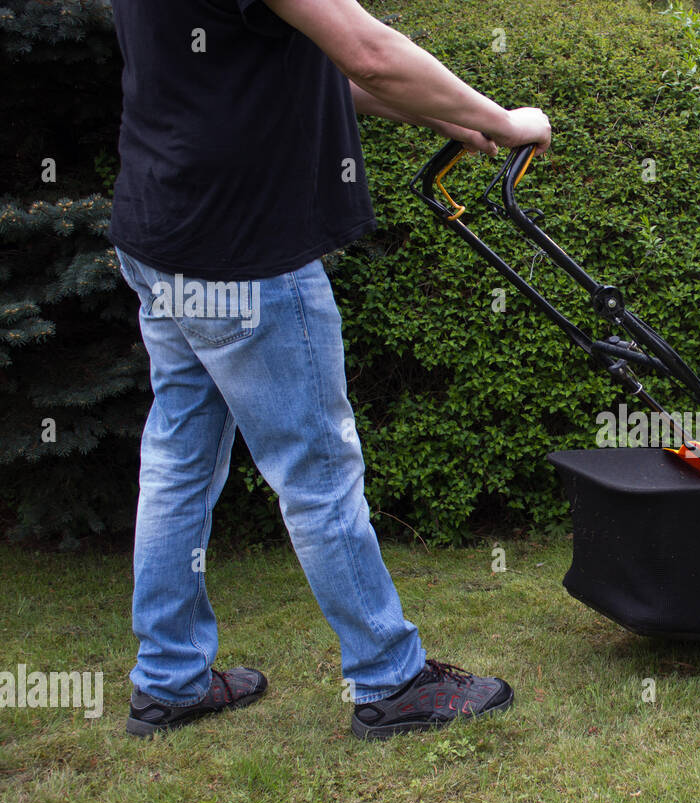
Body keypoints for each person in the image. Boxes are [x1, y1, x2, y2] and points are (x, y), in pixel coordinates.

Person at [109, 0, 551, 740]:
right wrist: (507, 123)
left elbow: (307, 64)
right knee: (317, 470)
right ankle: (388, 678)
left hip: (162, 233)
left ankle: (168, 682)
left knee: (178, 460)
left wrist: (446, 115)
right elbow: (367, 51)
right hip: (244, 254)